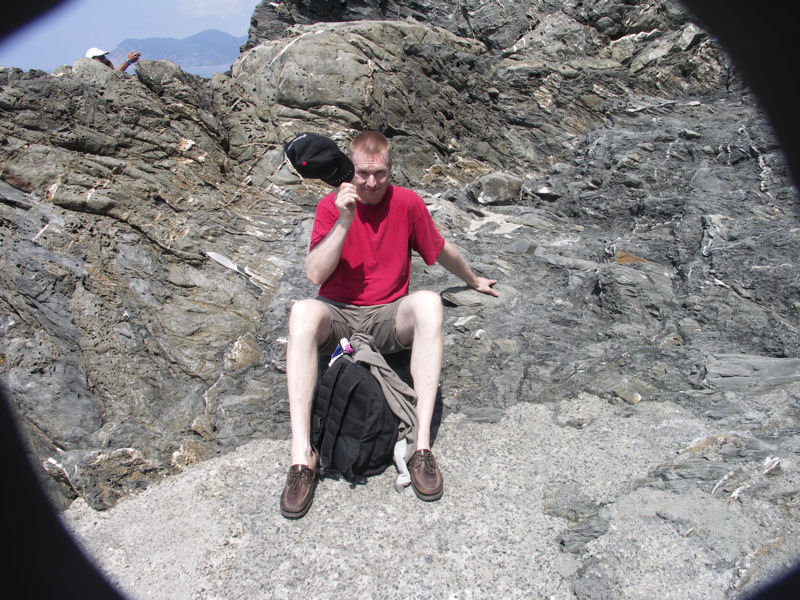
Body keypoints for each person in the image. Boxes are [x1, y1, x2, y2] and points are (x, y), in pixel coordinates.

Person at [280, 131, 498, 518]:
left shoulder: (407, 203)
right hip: (339, 313)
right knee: (301, 312)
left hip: (388, 316)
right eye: (363, 173)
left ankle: (421, 449)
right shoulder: (332, 206)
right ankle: (302, 459)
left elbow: (439, 248)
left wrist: (472, 279)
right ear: (351, 169)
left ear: (390, 169)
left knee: (430, 303)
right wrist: (345, 221)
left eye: (379, 173)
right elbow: (314, 274)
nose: (371, 183)